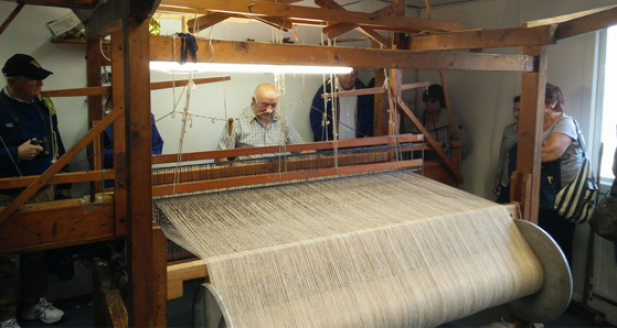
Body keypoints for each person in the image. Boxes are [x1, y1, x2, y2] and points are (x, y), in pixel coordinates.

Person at [0, 54, 67, 328]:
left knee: (37, 252)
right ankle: (4, 315)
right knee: (4, 257)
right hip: (6, 193)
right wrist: (15, 153)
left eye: (41, 80)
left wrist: (64, 182)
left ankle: (33, 304)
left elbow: (57, 143)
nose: (40, 84)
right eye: (33, 80)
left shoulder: (44, 106)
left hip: (42, 188)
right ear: (13, 81)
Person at [538, 83, 584, 265]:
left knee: (559, 248)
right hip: (544, 195)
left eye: (539, 99)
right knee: (542, 246)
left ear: (553, 103)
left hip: (563, 197)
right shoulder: (539, 124)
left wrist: (530, 152)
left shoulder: (565, 123)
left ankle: (563, 291)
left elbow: (550, 153)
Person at [216, 83, 304, 159]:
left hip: (278, 175)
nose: (269, 109)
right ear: (254, 101)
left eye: (273, 105)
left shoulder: (283, 121)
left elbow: (301, 149)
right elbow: (221, 158)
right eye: (265, 104)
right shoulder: (236, 123)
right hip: (249, 176)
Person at [309, 69, 373, 142]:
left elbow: (370, 121)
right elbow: (315, 119)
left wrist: (364, 142)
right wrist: (327, 141)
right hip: (332, 148)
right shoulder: (326, 90)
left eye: (353, 76)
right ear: (338, 73)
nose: (349, 80)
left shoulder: (364, 93)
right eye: (346, 75)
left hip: (357, 148)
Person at [416, 84, 472, 160]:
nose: (429, 104)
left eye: (433, 101)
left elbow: (465, 143)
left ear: (441, 101)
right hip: (423, 164)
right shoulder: (420, 117)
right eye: (426, 100)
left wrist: (452, 162)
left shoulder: (449, 119)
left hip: (442, 165)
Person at [493, 96, 520, 203]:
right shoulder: (509, 129)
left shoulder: (535, 132)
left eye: (519, 110)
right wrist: (497, 178)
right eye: (514, 110)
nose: (515, 114)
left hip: (521, 183)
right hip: (505, 181)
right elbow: (502, 156)